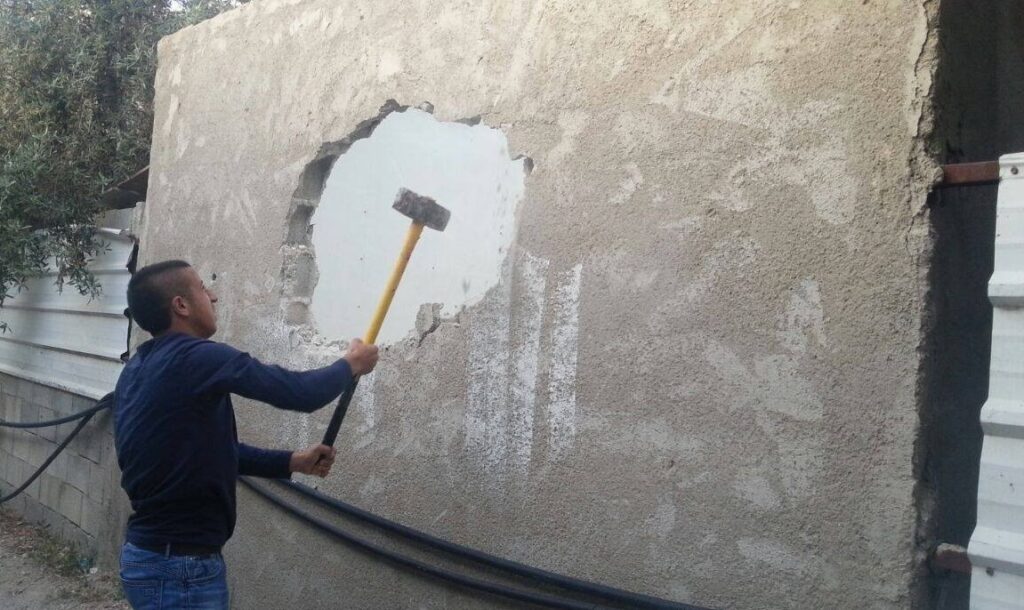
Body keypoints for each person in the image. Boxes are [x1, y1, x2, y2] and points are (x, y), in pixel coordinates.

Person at [113, 259, 378, 609]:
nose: (214, 296)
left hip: (151, 557)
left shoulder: (137, 369)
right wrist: (351, 364)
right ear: (181, 305)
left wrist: (292, 462)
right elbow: (300, 393)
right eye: (203, 288)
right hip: (180, 569)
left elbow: (207, 453)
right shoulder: (199, 358)